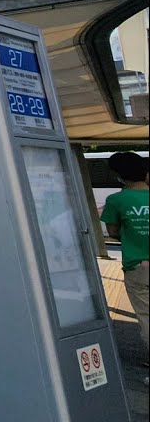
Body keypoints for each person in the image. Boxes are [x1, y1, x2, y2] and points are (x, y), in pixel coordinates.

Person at [102, 151, 148, 360]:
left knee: (147, 317)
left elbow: (112, 232)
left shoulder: (115, 200)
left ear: (118, 176)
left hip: (138, 266)